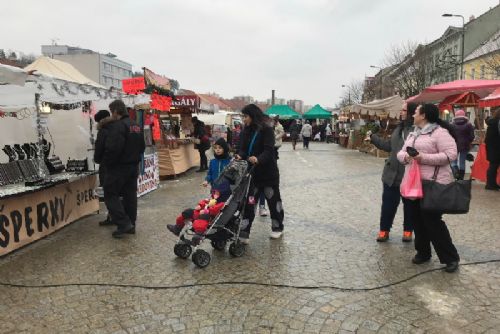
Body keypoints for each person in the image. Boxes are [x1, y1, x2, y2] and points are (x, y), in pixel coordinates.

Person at [397, 103, 460, 273]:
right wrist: (406, 158)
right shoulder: (413, 133)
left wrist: (422, 157)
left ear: (423, 115)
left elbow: (450, 155)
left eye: (416, 112)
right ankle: (423, 252)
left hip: (433, 184)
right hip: (413, 183)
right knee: (417, 219)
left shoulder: (440, 133)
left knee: (432, 221)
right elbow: (401, 152)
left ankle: (450, 258)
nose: (413, 115)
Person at [368, 102, 417, 242]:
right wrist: (373, 138)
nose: (401, 112)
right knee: (388, 205)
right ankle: (384, 230)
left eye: (404, 110)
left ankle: (408, 231)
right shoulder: (398, 129)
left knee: (409, 206)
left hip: (407, 175)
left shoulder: (416, 131)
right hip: (390, 175)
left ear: (412, 113)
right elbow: (389, 146)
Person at [236, 104, 284, 242]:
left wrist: (258, 159)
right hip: (253, 174)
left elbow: (269, 150)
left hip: (268, 174)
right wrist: (240, 155)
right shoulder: (246, 130)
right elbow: (242, 148)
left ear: (253, 115)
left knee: (273, 202)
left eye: (245, 116)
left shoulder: (267, 129)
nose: (243, 119)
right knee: (249, 204)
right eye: (243, 116)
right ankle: (244, 232)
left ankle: (277, 227)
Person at [103, 100, 146, 238]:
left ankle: (123, 223)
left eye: (111, 112)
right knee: (130, 196)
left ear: (116, 111)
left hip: (119, 167)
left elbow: (114, 148)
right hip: (133, 166)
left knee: (110, 194)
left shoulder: (118, 126)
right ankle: (131, 224)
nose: (111, 115)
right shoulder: (136, 125)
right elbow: (142, 147)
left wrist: (108, 163)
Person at [93, 109, 115, 226]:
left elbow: (99, 149)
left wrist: (97, 159)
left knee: (108, 193)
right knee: (115, 192)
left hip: (106, 165)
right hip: (116, 165)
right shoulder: (116, 128)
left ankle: (112, 216)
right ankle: (113, 215)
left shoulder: (103, 131)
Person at [451, 110, 474, 180]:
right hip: (465, 145)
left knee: (453, 161)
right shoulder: (468, 124)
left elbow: (449, 135)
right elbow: (472, 136)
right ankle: (461, 178)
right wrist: (468, 140)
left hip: (454, 145)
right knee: (462, 161)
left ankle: (455, 173)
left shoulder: (452, 124)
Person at [485, 107, 500, 190]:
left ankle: (492, 184)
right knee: (493, 167)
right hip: (496, 148)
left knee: (493, 166)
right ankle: (490, 184)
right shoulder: (497, 123)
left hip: (492, 148)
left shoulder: (491, 122)